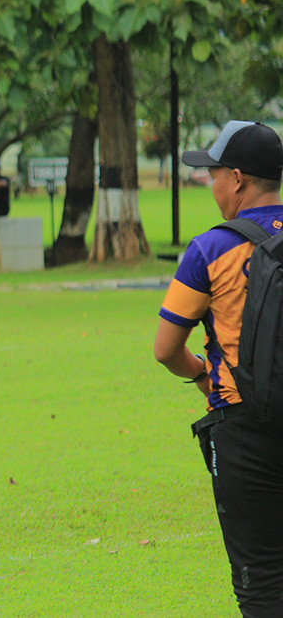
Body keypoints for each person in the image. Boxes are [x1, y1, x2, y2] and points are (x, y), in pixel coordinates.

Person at [154, 121, 283, 616]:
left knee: (261, 584)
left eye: (213, 175)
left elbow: (167, 348)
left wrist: (201, 376)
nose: (211, 185)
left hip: (244, 427)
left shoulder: (210, 248)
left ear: (237, 178)